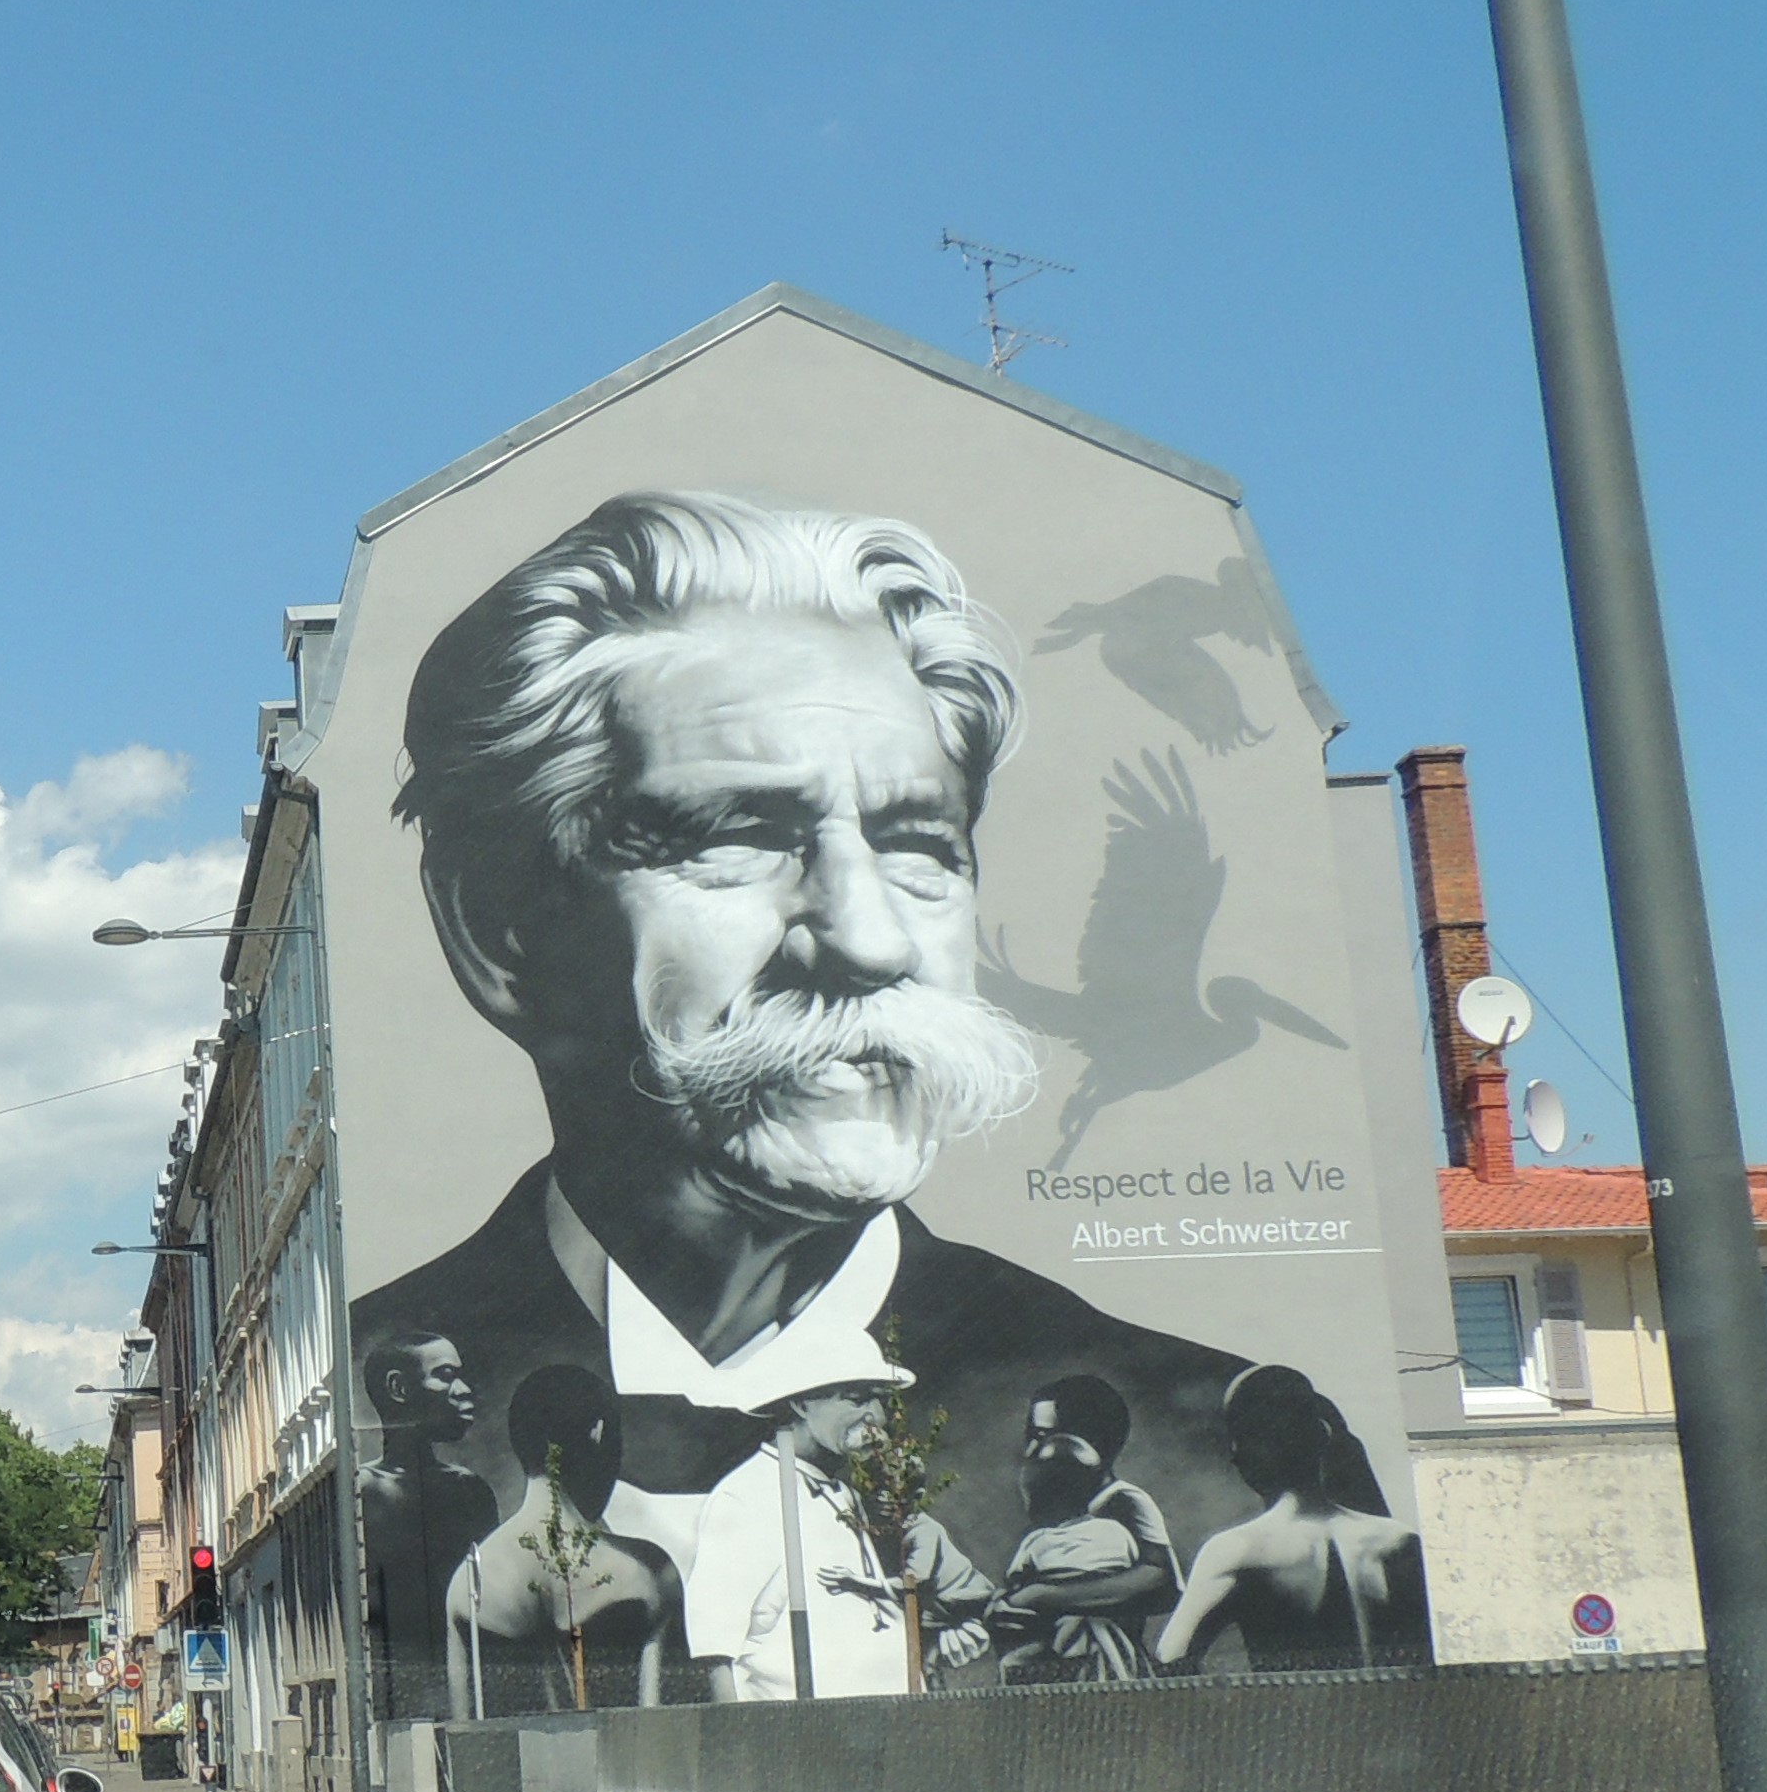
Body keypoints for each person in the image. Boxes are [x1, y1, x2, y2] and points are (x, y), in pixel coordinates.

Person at [356, 489, 1301, 1622]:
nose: (866, 937)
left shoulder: (1201, 1428)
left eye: (918, 847)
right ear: (499, 931)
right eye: (737, 836)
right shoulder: (385, 1398)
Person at [680, 1377, 994, 1699]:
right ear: (801, 1404)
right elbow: (715, 1649)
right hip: (800, 1728)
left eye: (880, 1401)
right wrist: (738, 1740)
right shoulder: (747, 1494)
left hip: (889, 1717)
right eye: (857, 1399)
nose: (875, 1415)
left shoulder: (846, 1495)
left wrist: (945, 1636)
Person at [1159, 1364, 1429, 1673]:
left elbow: (1171, 1660)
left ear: (1240, 1451)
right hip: (1397, 1715)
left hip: (1297, 1717)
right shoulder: (1401, 1540)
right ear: (1321, 1437)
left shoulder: (1237, 1550)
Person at [447, 1364, 678, 1711]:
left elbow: (464, 1730)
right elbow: (659, 1726)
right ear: (598, 1433)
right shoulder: (648, 1570)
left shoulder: (470, 1577)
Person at [984, 1377, 1178, 1683]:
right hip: (1046, 1657)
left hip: (1103, 1656)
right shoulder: (1052, 1514)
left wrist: (1047, 1595)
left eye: (1046, 1436)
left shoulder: (1125, 1501)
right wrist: (1003, 1603)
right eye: (1032, 1436)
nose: (1034, 1450)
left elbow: (1159, 1578)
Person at [358, 1333, 505, 1630]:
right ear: (398, 1388)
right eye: (446, 1376)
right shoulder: (361, 1491)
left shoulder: (470, 1490)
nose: (463, 1391)